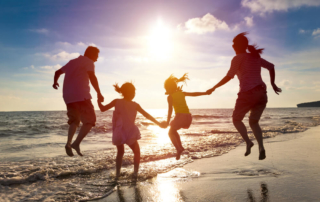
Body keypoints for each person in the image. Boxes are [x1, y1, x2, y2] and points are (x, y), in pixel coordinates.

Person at [207, 32, 282, 160]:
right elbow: (271, 67)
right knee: (254, 122)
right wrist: (273, 84)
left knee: (236, 119)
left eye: (234, 43)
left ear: (237, 46)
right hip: (262, 93)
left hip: (248, 93)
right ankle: (261, 147)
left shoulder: (238, 58)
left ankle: (248, 142)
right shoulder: (254, 57)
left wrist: (214, 87)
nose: (232, 45)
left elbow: (229, 76)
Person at [98, 82, 167, 179]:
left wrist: (98, 100)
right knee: (137, 152)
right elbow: (146, 115)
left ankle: (117, 174)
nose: (134, 94)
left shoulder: (116, 101)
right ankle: (135, 173)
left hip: (119, 132)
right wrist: (158, 123)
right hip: (130, 132)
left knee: (120, 152)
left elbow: (102, 108)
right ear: (128, 92)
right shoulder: (135, 105)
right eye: (133, 92)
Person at [52, 46, 104, 157]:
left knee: (74, 121)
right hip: (82, 96)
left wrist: (55, 82)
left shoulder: (72, 62)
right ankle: (76, 143)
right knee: (90, 121)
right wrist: (99, 93)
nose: (97, 59)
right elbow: (92, 76)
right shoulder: (89, 62)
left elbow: (57, 72)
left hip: (68, 97)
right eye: (96, 56)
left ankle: (68, 144)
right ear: (91, 54)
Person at [164, 73, 210, 160]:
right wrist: (205, 93)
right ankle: (180, 147)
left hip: (180, 117)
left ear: (169, 88)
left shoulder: (170, 97)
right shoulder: (182, 93)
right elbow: (194, 94)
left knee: (170, 133)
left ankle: (178, 148)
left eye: (166, 88)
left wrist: (167, 122)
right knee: (174, 131)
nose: (166, 90)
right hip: (188, 117)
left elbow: (170, 111)